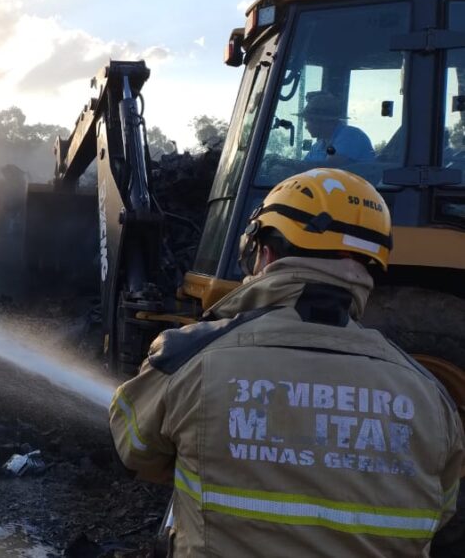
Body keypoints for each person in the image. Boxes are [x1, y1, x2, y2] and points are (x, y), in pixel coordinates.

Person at [109, 168, 464, 557]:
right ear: (367, 265)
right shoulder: (433, 398)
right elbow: (443, 507)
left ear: (265, 252)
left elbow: (135, 448)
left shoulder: (188, 358)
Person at [300, 92, 375, 164]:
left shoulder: (351, 136)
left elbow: (331, 165)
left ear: (323, 121)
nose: (306, 127)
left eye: (307, 121)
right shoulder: (318, 146)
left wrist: (297, 165)